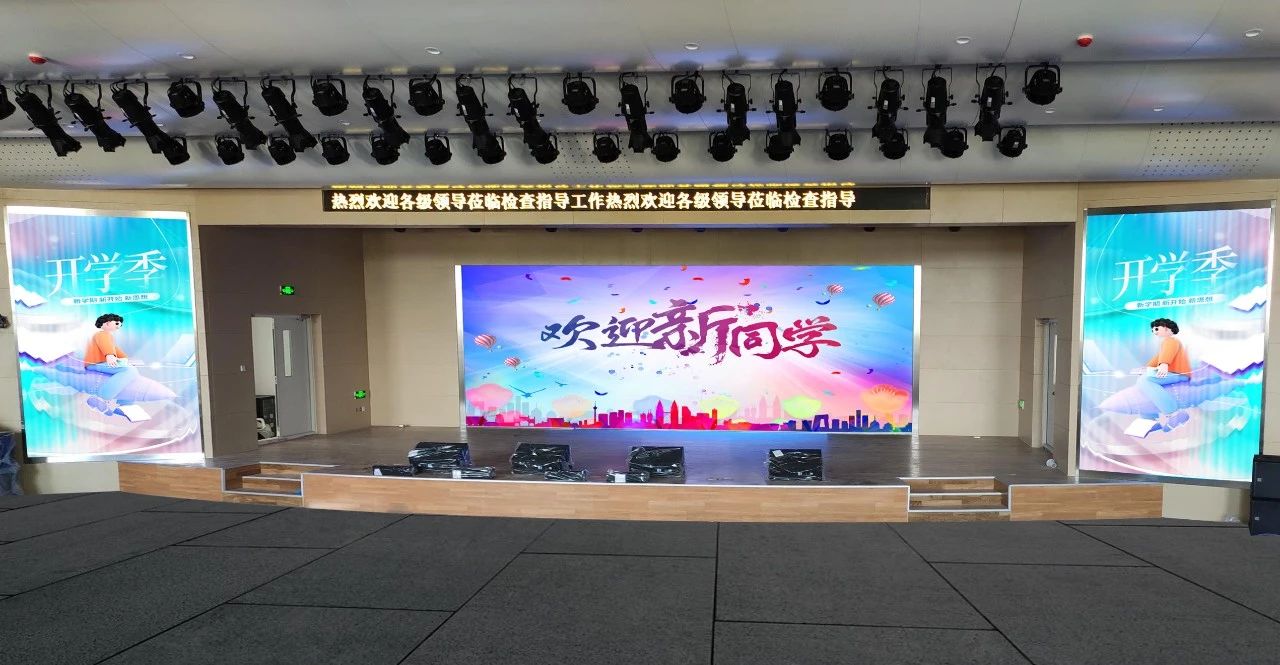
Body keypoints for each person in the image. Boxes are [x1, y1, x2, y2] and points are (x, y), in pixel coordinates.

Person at [1136, 317, 1191, 431]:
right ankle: (1149, 419)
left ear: (1166, 328)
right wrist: (1146, 368)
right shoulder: (1165, 343)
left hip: (1179, 373)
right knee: (1142, 382)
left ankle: (1174, 414)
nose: (1154, 332)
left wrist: (1164, 364)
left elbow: (1167, 354)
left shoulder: (1171, 341)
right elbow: (1158, 358)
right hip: (1172, 372)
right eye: (1152, 330)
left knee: (1145, 380)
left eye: (1156, 329)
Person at [83, 313, 139, 415]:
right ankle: (101, 398)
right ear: (107, 323)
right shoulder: (101, 334)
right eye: (117, 323)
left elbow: (116, 350)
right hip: (95, 363)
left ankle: (124, 404)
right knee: (129, 370)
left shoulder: (109, 337)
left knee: (131, 372)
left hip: (101, 362)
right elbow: (106, 345)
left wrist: (126, 360)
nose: (119, 326)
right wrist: (109, 355)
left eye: (120, 325)